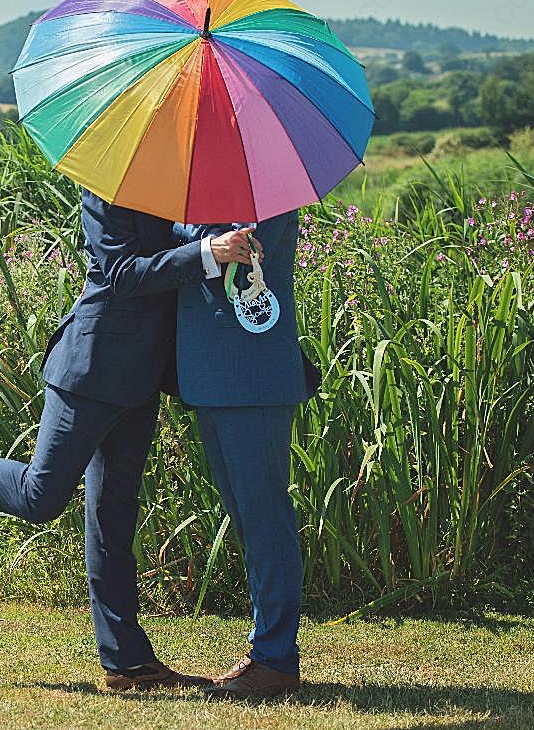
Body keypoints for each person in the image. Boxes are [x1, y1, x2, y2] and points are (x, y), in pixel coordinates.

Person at [0, 186, 259, 691]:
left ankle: (127, 664)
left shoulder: (175, 188)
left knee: (111, 521)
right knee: (40, 496)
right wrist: (209, 252)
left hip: (141, 379)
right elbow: (121, 274)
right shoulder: (106, 188)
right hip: (91, 369)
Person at [173, 211, 316, 701]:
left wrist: (181, 233)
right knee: (247, 518)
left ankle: (275, 658)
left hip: (251, 376)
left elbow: (243, 249)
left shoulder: (263, 186)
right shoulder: (203, 187)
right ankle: (267, 649)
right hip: (212, 377)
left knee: (264, 519)